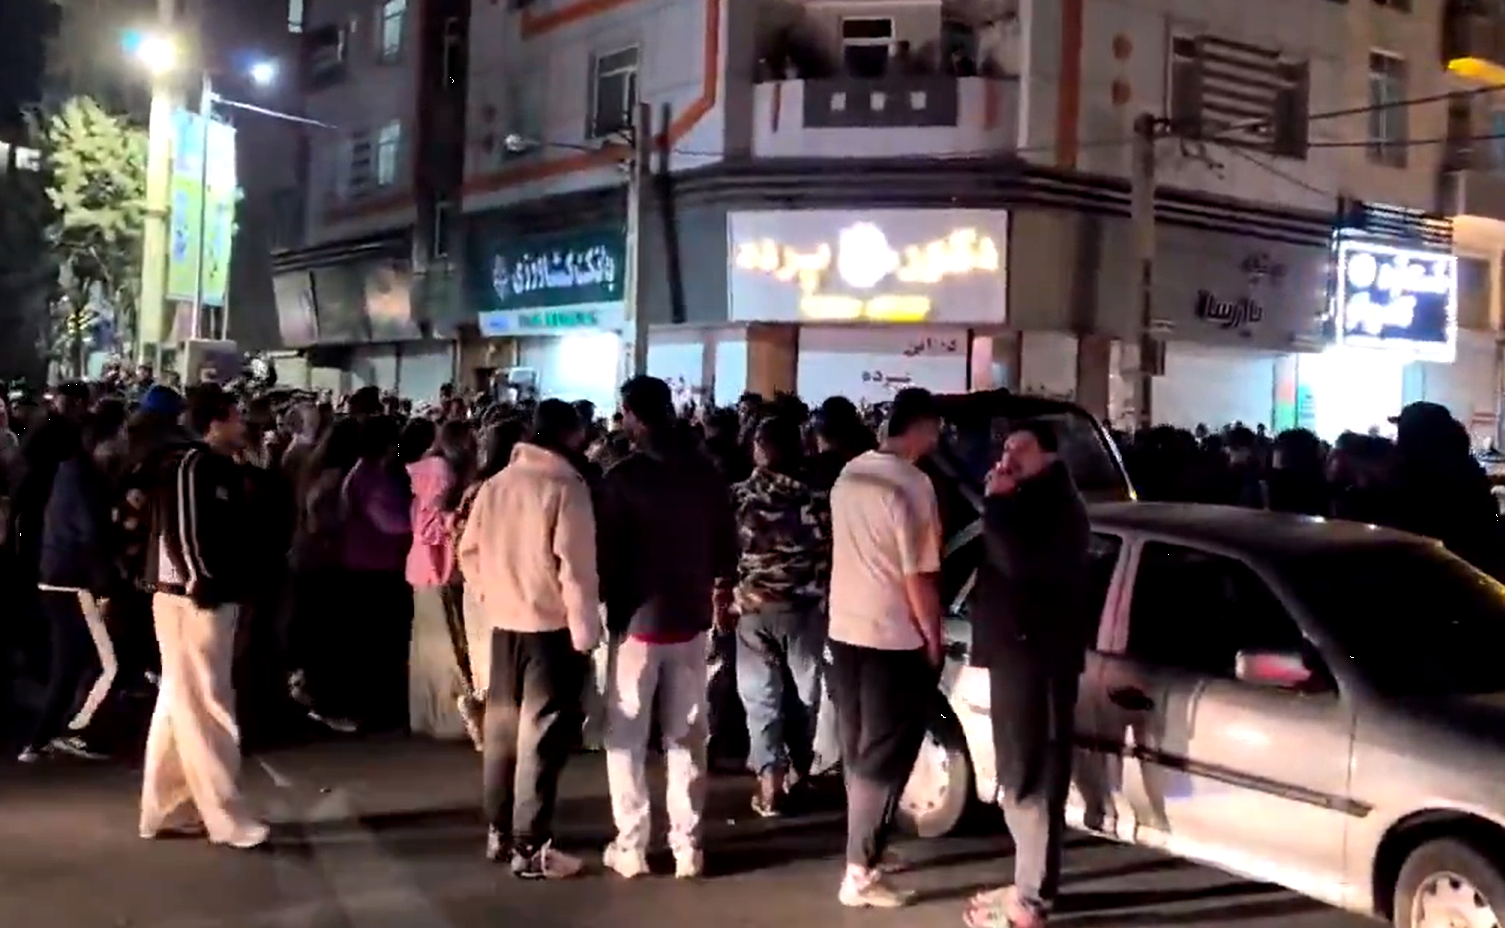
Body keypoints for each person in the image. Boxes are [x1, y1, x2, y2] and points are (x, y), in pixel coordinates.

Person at [596, 375, 737, 880]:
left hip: (636, 624)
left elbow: (605, 556)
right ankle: (687, 847)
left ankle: (632, 846)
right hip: (691, 622)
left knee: (627, 738)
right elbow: (727, 549)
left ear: (634, 416)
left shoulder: (622, 478)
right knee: (687, 737)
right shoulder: (706, 473)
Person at [458, 399, 599, 879]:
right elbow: (576, 569)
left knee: (501, 733)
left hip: (504, 626)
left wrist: (490, 593)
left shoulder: (496, 484)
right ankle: (530, 845)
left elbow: (468, 552)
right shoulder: (565, 486)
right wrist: (585, 632)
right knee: (541, 737)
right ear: (570, 435)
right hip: (550, 629)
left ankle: (499, 831)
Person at [963, 421, 1090, 928]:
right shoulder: (1036, 499)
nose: (1008, 455)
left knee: (1028, 776)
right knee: (1028, 773)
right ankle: (1031, 887)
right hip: (1024, 653)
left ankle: (1029, 903)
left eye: (1022, 447)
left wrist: (997, 504)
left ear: (1050, 456)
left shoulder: (1051, 506)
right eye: (1006, 446)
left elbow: (1016, 563)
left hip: (1033, 658)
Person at [826, 387, 945, 908]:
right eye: (935, 431)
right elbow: (918, 575)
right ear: (921, 428)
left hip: (845, 630)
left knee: (859, 748)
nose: (937, 441)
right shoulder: (913, 485)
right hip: (891, 637)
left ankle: (867, 848)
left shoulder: (850, 474)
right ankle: (859, 874)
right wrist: (933, 637)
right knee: (884, 756)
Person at [138, 384, 267, 849]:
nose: (244, 424)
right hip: (194, 600)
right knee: (210, 706)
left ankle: (168, 808)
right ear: (216, 422)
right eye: (237, 416)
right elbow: (184, 530)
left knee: (182, 703)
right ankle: (225, 817)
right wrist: (201, 581)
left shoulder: (210, 464)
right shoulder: (194, 465)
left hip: (194, 595)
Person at [730, 415, 830, 816]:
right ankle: (803, 772)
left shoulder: (738, 496)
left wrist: (725, 595)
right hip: (804, 610)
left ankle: (769, 781)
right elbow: (829, 552)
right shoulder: (814, 499)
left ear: (758, 448)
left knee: (761, 698)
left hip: (753, 610)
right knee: (807, 695)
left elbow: (725, 553)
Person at [19, 412, 118, 762]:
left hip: (56, 577)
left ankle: (44, 738)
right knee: (107, 664)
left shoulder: (65, 472)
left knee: (72, 664)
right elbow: (90, 533)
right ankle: (69, 733)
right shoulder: (83, 477)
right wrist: (105, 585)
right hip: (74, 581)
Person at [407, 419, 476, 740]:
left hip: (427, 568)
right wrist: (458, 521)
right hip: (438, 568)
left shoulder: (430, 470)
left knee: (433, 646)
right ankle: (447, 718)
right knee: (445, 645)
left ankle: (434, 715)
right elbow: (428, 527)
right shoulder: (440, 473)